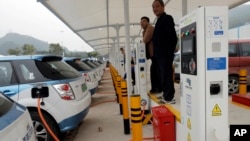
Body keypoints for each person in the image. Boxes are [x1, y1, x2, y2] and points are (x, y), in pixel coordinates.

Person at [152, 0, 177, 104]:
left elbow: (173, 37)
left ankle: (169, 98)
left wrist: (169, 51)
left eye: (157, 6)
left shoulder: (167, 18)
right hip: (159, 54)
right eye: (153, 7)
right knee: (162, 75)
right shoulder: (158, 20)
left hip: (165, 54)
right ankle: (165, 94)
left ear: (163, 7)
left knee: (166, 74)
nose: (155, 9)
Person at [140, 16, 162, 93]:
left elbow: (145, 40)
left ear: (148, 22)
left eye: (143, 21)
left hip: (156, 52)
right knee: (154, 70)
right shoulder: (145, 30)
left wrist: (142, 41)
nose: (142, 23)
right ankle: (155, 88)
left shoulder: (150, 28)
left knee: (156, 71)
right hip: (153, 54)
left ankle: (158, 88)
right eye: (141, 22)